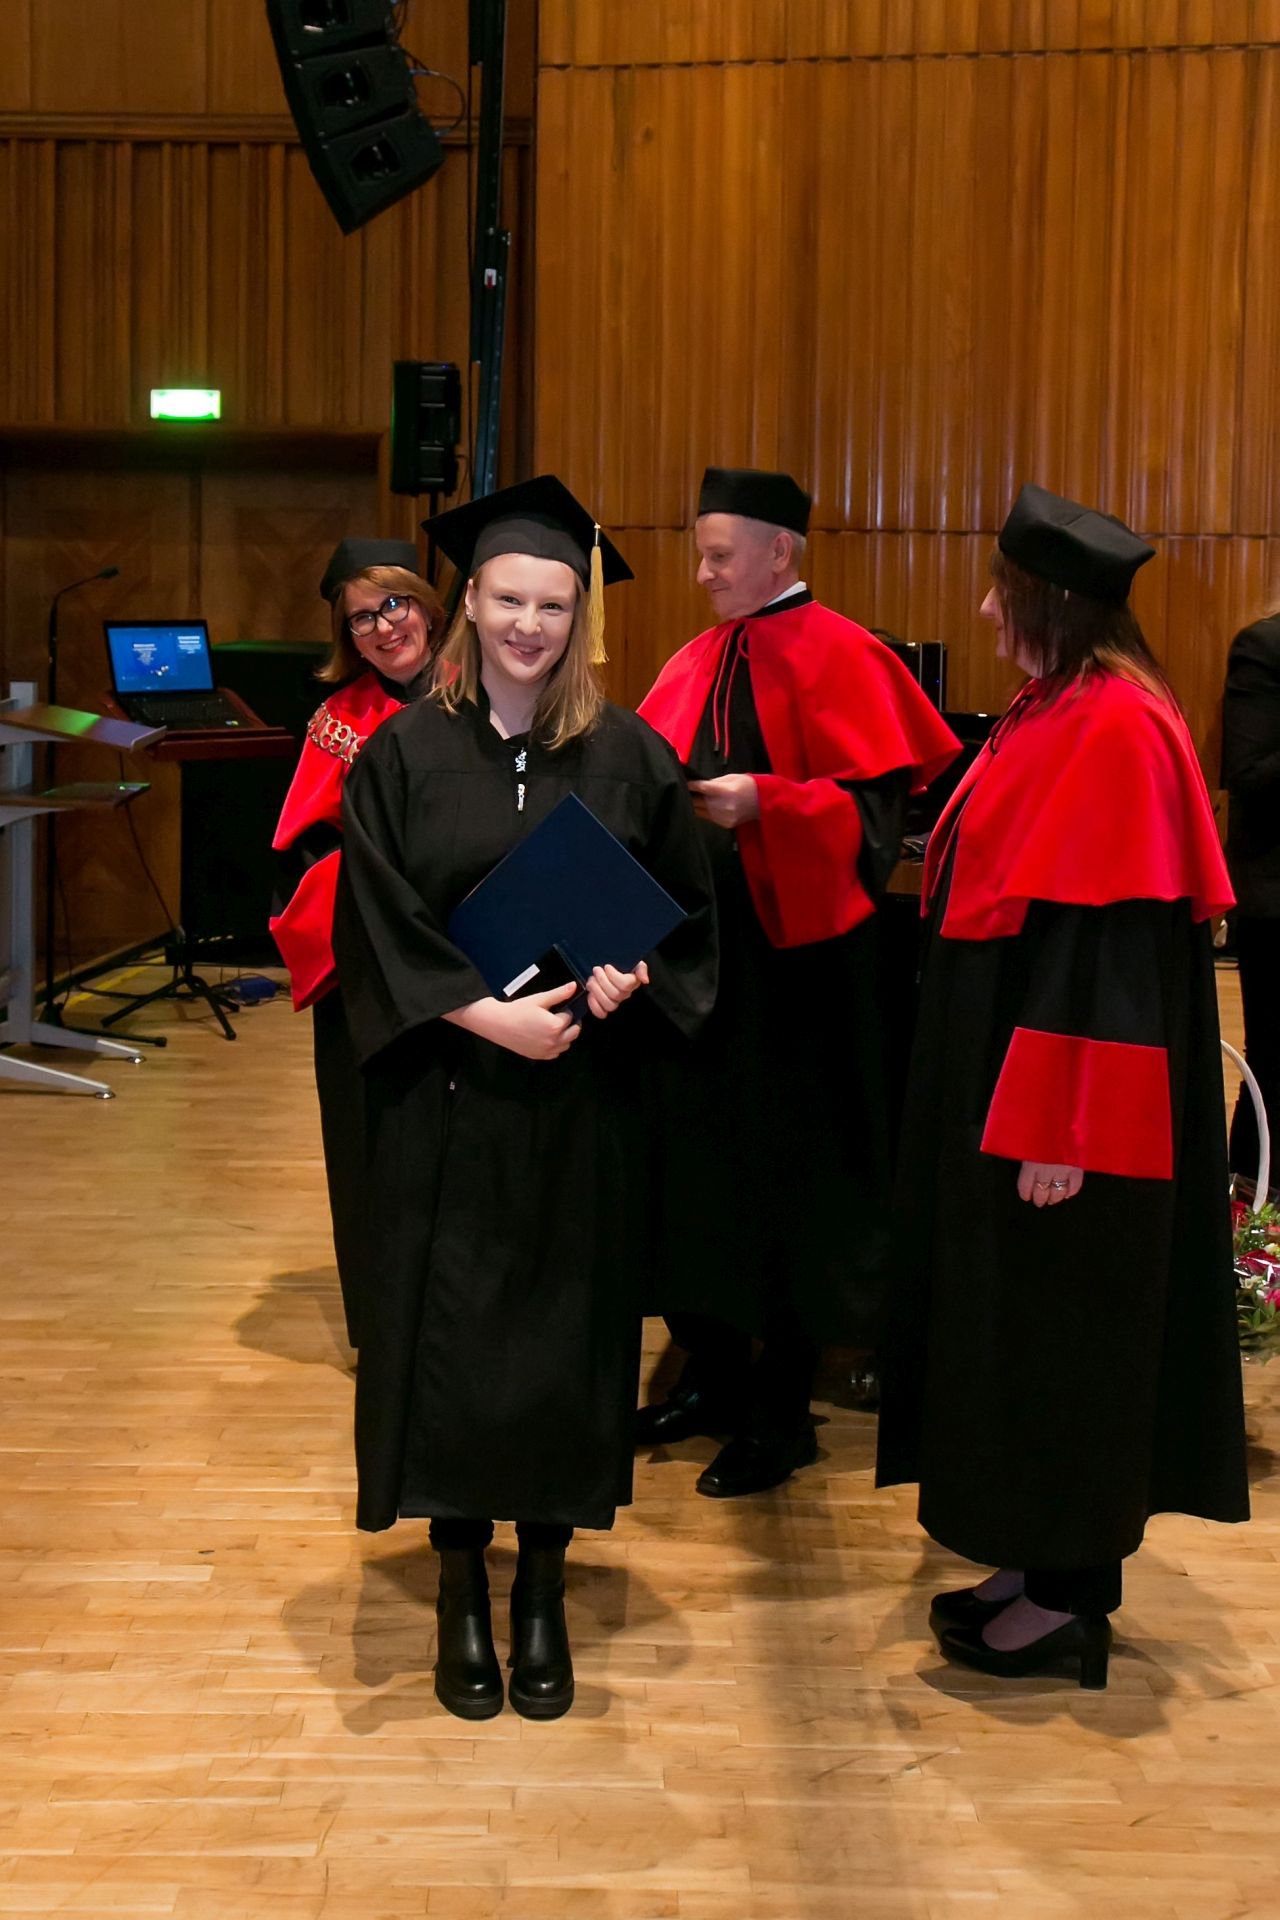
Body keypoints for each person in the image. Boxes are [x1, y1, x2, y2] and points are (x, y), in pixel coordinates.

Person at [331, 476, 716, 1722]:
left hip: (579, 1108)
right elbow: (372, 918)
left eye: (552, 605)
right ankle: (459, 1582)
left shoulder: (628, 753)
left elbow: (685, 917)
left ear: (578, 615)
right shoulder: (404, 753)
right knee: (446, 1344)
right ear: (469, 604)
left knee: (562, 1344)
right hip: (446, 1101)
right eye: (506, 600)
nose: (528, 626)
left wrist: (629, 974)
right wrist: (478, 1011)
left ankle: (541, 1586)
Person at [875, 483, 1250, 1688]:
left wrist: (1062, 1129)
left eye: (1003, 593)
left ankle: (1070, 1594)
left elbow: (1109, 958)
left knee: (1067, 1326)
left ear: (1052, 603)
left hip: (1064, 1097)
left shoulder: (1117, 726)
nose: (987, 612)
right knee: (1017, 1323)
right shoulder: (1059, 703)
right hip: (1009, 1069)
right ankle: (1033, 1555)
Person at [637, 466, 960, 1498]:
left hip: (800, 977)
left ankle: (779, 1412)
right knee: (694, 1172)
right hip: (696, 965)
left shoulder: (847, 655)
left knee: (789, 1184)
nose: (701, 573)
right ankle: (709, 1378)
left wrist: (767, 803)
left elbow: (875, 827)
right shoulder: (695, 656)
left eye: (718, 555)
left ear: (779, 551)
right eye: (699, 554)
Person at [270, 539, 444, 1348]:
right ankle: (385, 1328)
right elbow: (302, 851)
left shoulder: (489, 695)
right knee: (370, 1147)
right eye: (361, 619)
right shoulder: (339, 722)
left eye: (393, 604)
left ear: (427, 605)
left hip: (477, 964)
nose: (382, 627)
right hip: (369, 963)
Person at [1221, 611, 1280, 1181]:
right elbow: (1249, 774)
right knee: (1274, 1068)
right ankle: (1252, 1208)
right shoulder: (1265, 648)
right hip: (1276, 901)